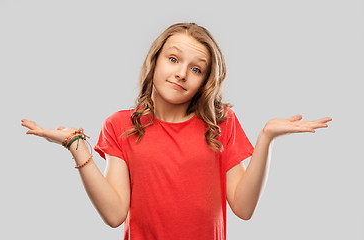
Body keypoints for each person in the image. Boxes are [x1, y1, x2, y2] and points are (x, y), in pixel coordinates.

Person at [21, 22, 332, 240]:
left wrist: (266, 137)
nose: (182, 73)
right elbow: (115, 214)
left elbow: (244, 207)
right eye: (173, 59)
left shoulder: (220, 123)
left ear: (205, 80)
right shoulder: (121, 125)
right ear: (155, 62)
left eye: (196, 68)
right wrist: (76, 145)